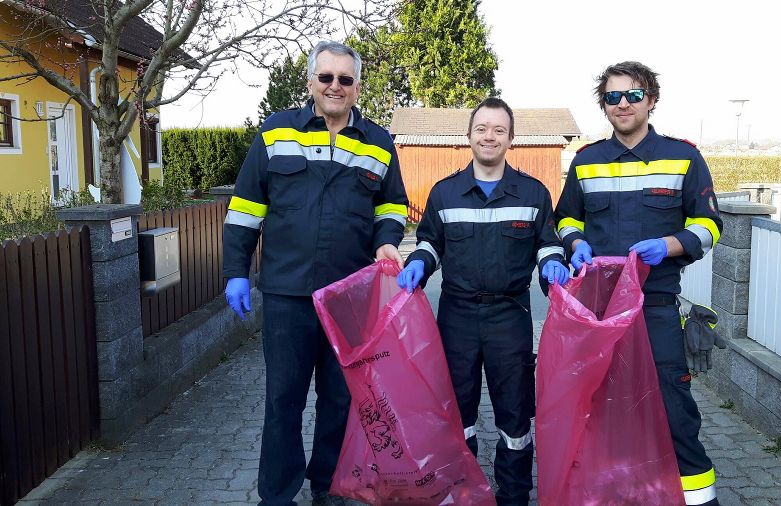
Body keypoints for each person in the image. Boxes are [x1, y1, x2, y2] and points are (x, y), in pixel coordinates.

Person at [222, 41, 409, 506]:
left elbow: (392, 207)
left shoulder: (378, 142)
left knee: (341, 401)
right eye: (326, 77)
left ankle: (328, 485)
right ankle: (277, 493)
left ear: (358, 87)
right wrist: (236, 272)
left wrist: (387, 238)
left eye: (345, 79)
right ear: (310, 83)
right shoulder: (275, 132)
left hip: (349, 295)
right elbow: (245, 208)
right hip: (287, 295)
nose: (335, 87)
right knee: (283, 400)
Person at [554, 61, 724, 506]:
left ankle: (698, 500)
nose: (623, 104)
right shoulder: (586, 161)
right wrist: (574, 242)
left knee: (674, 413)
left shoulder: (683, 156)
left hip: (656, 309)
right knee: (602, 412)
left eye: (633, 95)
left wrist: (668, 245)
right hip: (600, 311)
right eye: (612, 97)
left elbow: (709, 224)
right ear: (604, 106)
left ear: (651, 100)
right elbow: (566, 217)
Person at [396, 97, 569, 505]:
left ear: (511, 138)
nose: (489, 137)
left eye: (498, 130)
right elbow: (430, 243)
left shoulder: (533, 193)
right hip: (456, 316)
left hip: (510, 316)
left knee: (514, 416)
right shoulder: (445, 194)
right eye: (481, 129)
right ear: (469, 136)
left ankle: (514, 496)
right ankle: (463, 492)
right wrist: (418, 263)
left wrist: (552, 266)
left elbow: (547, 243)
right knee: (457, 415)